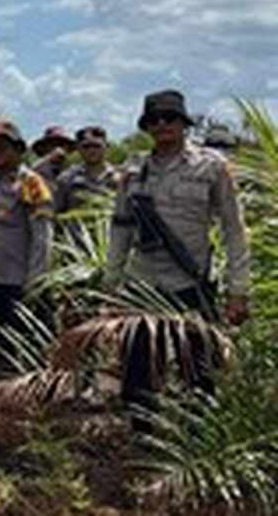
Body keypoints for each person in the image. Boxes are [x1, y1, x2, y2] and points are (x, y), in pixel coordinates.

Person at [107, 90, 250, 429]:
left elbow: (234, 229)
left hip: (191, 283)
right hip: (143, 285)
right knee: (138, 371)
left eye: (169, 118)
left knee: (199, 371)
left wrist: (238, 289)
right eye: (154, 120)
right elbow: (121, 230)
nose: (162, 126)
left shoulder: (211, 167)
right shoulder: (134, 171)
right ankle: (143, 440)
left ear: (184, 123)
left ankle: (196, 440)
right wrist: (111, 285)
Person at [0, 119, 55, 374]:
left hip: (18, 281)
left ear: (19, 150)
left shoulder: (31, 183)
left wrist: (37, 279)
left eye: (3, 146)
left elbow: (43, 235)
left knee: (22, 346)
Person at [54, 126, 120, 216]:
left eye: (97, 146)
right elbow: (56, 213)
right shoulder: (66, 179)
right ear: (78, 149)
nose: (92, 150)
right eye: (86, 146)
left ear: (107, 147)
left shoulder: (121, 178)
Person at [30, 125, 76, 189]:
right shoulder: (39, 168)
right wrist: (49, 158)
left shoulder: (72, 172)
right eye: (53, 145)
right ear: (44, 148)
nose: (58, 148)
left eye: (61, 144)